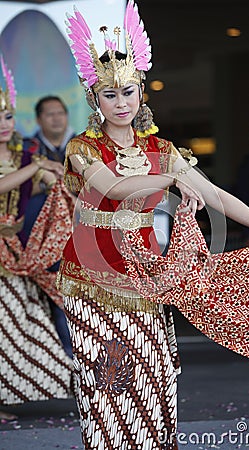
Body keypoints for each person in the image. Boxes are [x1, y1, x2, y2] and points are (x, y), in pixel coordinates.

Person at [56, 2, 249, 449]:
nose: (122, 102)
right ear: (95, 99)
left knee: (155, 369)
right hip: (93, 274)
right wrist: (169, 178)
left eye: (129, 91)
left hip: (145, 273)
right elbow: (113, 189)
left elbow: (214, 195)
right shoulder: (82, 147)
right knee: (110, 372)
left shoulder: (162, 147)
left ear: (141, 93)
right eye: (110, 95)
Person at [0, 56, 73, 420]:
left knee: (18, 320)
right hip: (13, 248)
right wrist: (38, 167)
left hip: (19, 251)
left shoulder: (22, 154)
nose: (3, 124)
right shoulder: (30, 156)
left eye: (8, 117)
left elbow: (53, 184)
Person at [23, 96, 76, 359]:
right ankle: (55, 360)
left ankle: (74, 358)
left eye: (60, 113)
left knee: (70, 296)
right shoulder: (26, 150)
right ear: (39, 119)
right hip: (36, 238)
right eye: (49, 114)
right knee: (45, 298)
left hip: (78, 236)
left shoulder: (82, 146)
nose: (56, 118)